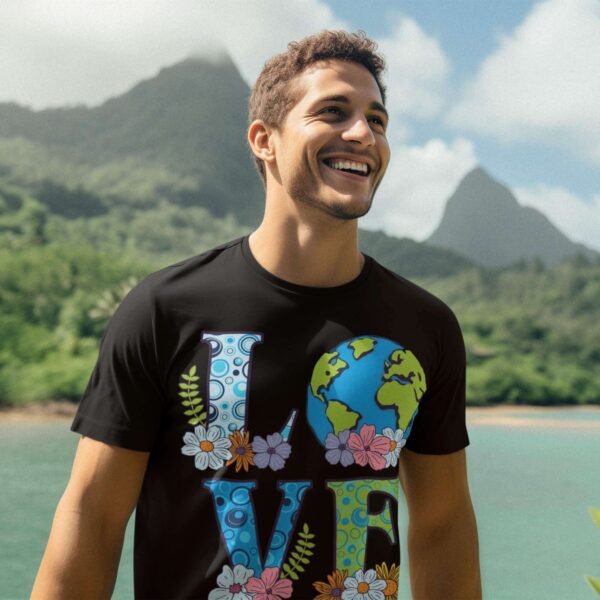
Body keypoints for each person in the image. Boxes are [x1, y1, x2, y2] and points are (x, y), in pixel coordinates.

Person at [32, 30, 482, 599]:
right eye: (333, 111)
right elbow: (92, 516)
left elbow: (443, 523)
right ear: (264, 140)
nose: (363, 134)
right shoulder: (164, 311)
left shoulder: (424, 326)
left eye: (377, 120)